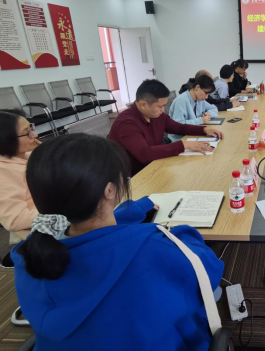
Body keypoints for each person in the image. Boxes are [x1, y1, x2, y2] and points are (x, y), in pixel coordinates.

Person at [12, 134, 223, 351]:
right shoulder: (153, 248)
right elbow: (210, 271)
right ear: (109, 190)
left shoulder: (29, 255)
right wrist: (180, 234)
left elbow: (93, 233)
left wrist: (132, 211)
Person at [108, 79, 223, 175]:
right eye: (160, 106)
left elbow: (178, 127)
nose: (163, 110)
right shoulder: (126, 123)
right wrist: (184, 145)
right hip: (132, 176)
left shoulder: (155, 115)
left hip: (154, 165)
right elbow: (144, 153)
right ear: (143, 105)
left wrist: (204, 130)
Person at [0, 109, 40, 245]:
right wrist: (65, 212)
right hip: (38, 229)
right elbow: (15, 219)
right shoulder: (3, 172)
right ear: (6, 140)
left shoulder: (27, 155)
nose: (35, 134)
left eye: (31, 128)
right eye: (27, 132)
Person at [169, 75, 219, 142]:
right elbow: (178, 126)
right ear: (197, 87)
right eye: (205, 93)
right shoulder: (181, 100)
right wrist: (200, 120)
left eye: (208, 94)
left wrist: (209, 114)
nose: (206, 97)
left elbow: (214, 108)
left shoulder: (199, 100)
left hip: (193, 134)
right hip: (180, 139)